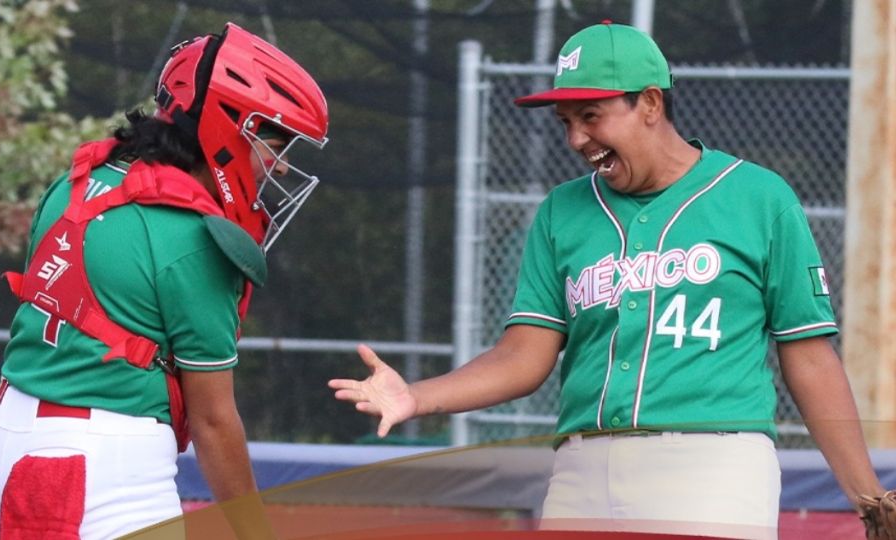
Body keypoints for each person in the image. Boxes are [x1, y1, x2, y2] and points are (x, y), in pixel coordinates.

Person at [330, 21, 884, 538]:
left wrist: (867, 497)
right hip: (582, 467)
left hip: (712, 466)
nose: (576, 139)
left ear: (649, 102)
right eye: (566, 122)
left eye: (590, 115)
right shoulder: (561, 212)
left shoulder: (759, 199)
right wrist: (415, 398)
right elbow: (522, 356)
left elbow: (809, 356)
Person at [0, 22, 328, 539]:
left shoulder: (74, 183)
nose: (280, 164)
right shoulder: (197, 242)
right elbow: (213, 422)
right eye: (274, 141)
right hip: (100, 465)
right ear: (227, 127)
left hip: (5, 439)